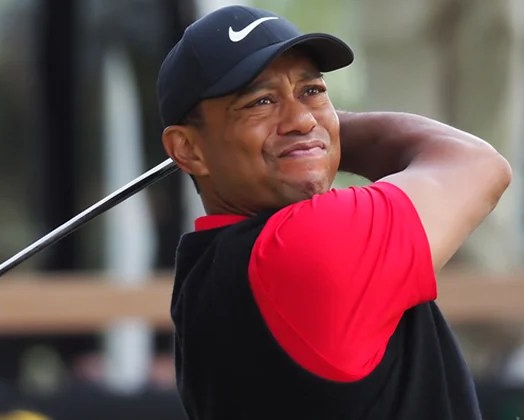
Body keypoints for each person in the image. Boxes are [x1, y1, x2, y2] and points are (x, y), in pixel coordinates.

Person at [156, 5, 512, 420]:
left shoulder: (202, 272)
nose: (301, 118)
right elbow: (477, 163)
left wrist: (311, 137)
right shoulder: (303, 244)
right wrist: (320, 136)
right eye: (261, 102)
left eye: (312, 91)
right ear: (187, 149)